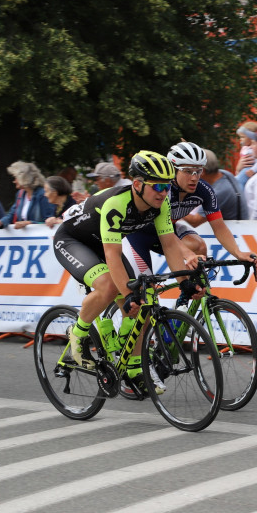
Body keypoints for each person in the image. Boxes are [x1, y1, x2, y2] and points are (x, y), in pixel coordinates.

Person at [51, 151, 201, 394]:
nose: (164, 192)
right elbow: (111, 255)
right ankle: (77, 338)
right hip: (73, 241)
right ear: (139, 184)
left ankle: (133, 370)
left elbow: (170, 245)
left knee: (142, 302)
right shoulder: (116, 203)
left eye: (167, 186)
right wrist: (126, 294)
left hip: (103, 243)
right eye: (158, 186)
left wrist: (184, 281)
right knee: (110, 287)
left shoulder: (159, 205)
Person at [127, 141, 256, 272]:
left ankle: (193, 291)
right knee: (146, 289)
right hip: (139, 233)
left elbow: (219, 228)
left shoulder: (204, 190)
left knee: (199, 247)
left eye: (198, 171)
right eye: (188, 171)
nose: (194, 178)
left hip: (168, 231)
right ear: (174, 170)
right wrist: (187, 254)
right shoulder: (163, 190)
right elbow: (162, 230)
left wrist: (238, 253)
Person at [183, 148, 247, 223]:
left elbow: (195, 221)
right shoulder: (225, 174)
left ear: (202, 171)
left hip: (234, 232)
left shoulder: (219, 192)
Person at [0, 161, 54, 229]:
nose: (14, 181)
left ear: (24, 177)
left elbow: (50, 220)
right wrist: (1, 222)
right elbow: (12, 214)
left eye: (15, 178)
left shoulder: (43, 194)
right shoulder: (20, 194)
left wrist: (29, 223)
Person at [234, 122, 257, 191]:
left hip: (249, 170)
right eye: (240, 137)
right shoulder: (245, 148)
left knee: (239, 183)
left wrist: (253, 169)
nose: (241, 139)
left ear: (251, 138)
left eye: (243, 137)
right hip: (244, 170)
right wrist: (238, 169)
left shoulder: (254, 150)